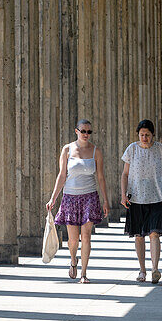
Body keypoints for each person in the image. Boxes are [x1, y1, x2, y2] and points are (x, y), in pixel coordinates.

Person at [46, 119, 109, 283]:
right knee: (73, 240)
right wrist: (53, 198)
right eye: (83, 131)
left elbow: (101, 177)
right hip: (70, 197)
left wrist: (105, 200)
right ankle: (73, 260)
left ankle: (84, 274)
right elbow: (62, 175)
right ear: (76, 131)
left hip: (89, 196)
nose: (86, 134)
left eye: (89, 132)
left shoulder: (96, 151)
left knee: (86, 236)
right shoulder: (67, 149)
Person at [120, 119, 162, 284]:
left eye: (147, 135)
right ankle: (142, 270)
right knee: (138, 236)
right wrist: (123, 194)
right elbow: (125, 175)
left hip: (156, 197)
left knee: (154, 234)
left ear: (153, 135)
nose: (144, 138)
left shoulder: (160, 149)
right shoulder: (132, 149)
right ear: (138, 135)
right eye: (142, 135)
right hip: (136, 197)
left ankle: (154, 269)